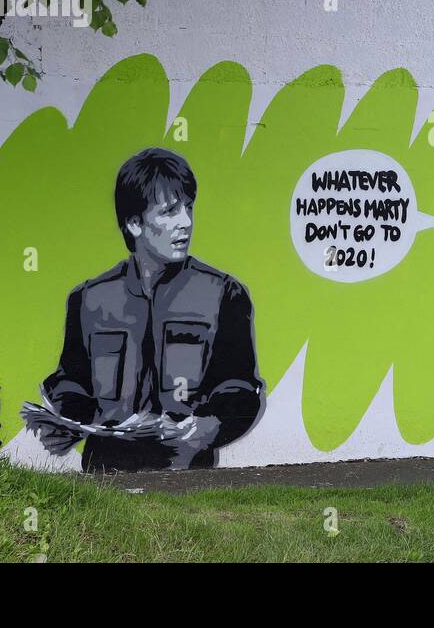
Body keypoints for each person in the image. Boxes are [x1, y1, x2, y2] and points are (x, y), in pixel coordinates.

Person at [28, 148, 264, 471]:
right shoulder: (88, 299)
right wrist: (67, 422)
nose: (185, 223)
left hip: (188, 476)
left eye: (189, 208)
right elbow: (72, 383)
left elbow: (240, 389)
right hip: (105, 477)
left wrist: (205, 428)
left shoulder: (225, 295)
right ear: (135, 224)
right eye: (170, 211)